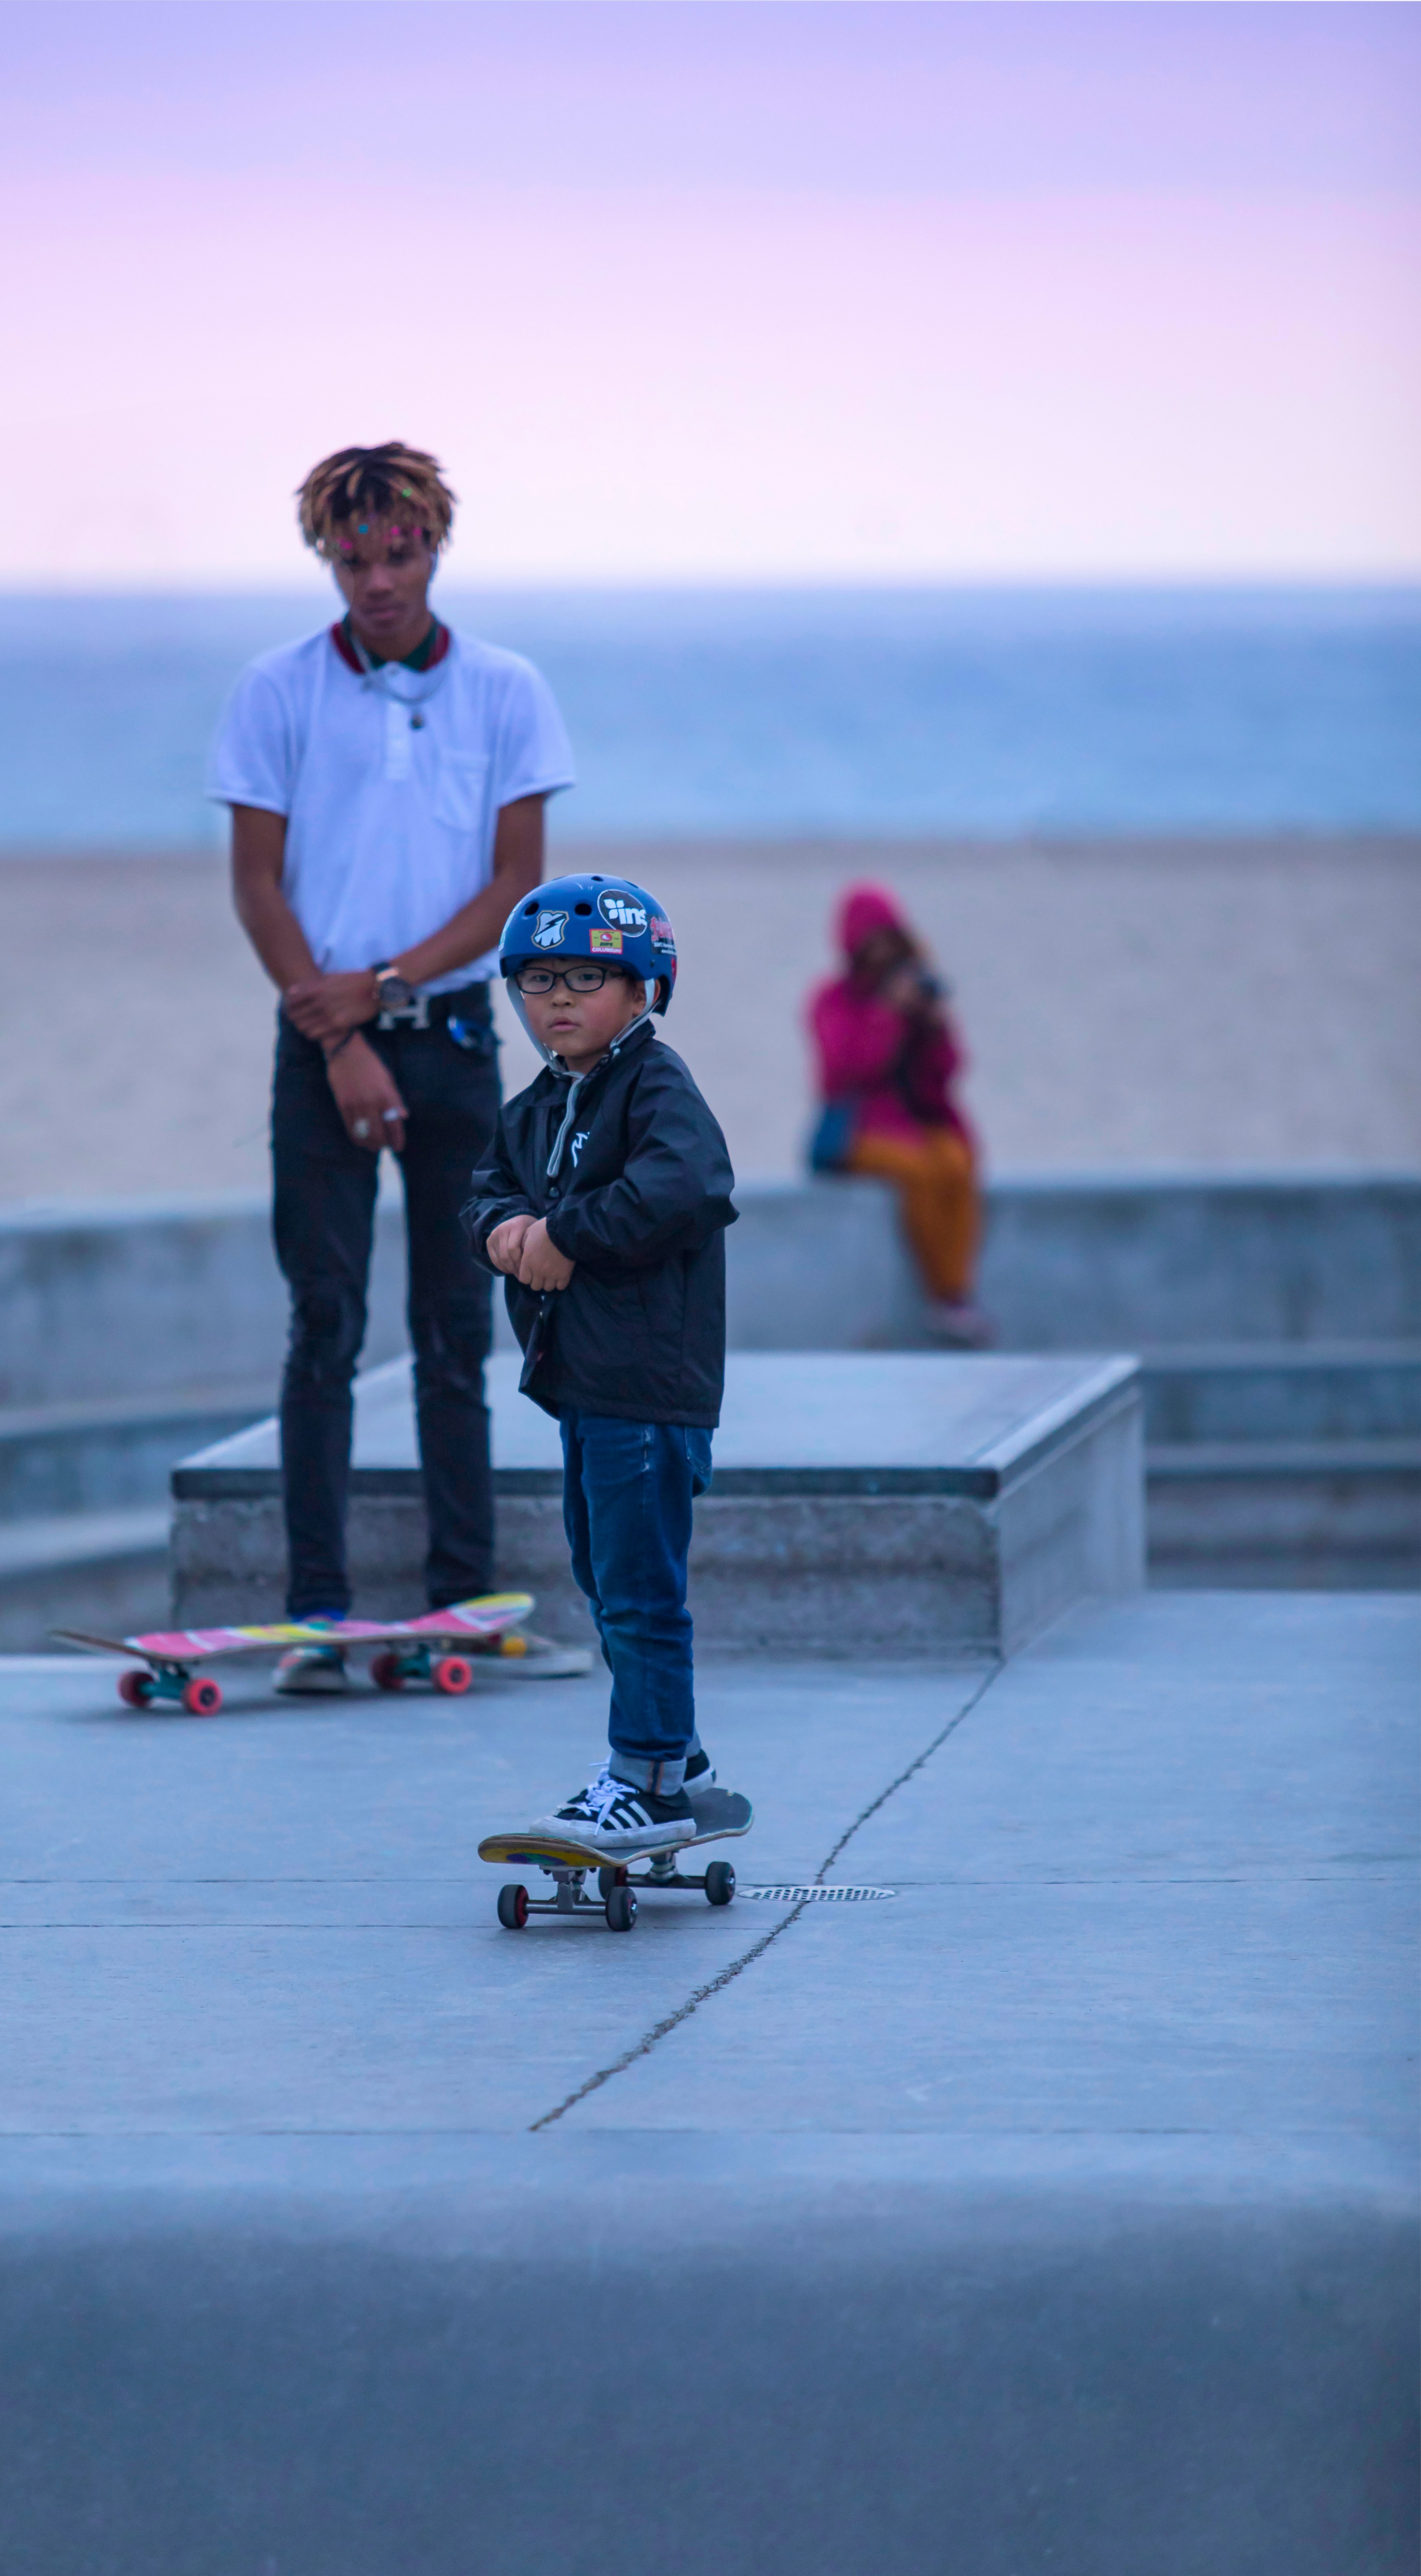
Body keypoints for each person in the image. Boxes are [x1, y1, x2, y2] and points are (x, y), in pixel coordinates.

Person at [210, 443, 574, 1688]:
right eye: (354, 557)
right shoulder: (277, 690)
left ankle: (462, 1599)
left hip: (459, 1042)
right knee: (323, 1321)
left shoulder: (507, 690)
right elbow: (258, 885)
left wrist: (395, 989)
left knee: (454, 1326)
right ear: (328, 556)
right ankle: (318, 1610)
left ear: (435, 546)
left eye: (399, 552)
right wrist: (347, 1035)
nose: (378, 578)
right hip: (322, 1045)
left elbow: (516, 884)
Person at [461, 874, 738, 1855]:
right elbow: (487, 1190)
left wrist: (567, 1235)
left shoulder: (654, 1087)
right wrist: (505, 1234)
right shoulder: (536, 1103)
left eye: (588, 975)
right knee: (601, 1572)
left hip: (648, 1391)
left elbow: (690, 1183)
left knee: (638, 1589)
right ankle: (684, 1762)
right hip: (585, 1389)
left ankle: (646, 1777)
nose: (559, 998)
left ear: (641, 990)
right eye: (537, 979)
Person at [807, 882, 990, 1345]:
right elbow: (844, 1072)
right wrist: (887, 1015)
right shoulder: (832, 1000)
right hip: (859, 1130)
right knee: (922, 1170)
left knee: (958, 1161)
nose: (882, 952)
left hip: (917, 1123)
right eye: (873, 941)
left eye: (890, 940)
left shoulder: (914, 991)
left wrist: (931, 1023)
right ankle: (949, 1297)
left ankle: (957, 1293)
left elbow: (948, 1071)